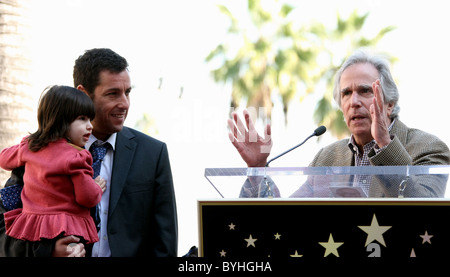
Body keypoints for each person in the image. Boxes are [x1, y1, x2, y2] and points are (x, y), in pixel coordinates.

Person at [0, 48, 178, 257]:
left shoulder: (153, 154)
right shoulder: (38, 150)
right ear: (83, 93)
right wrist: (48, 251)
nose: (124, 104)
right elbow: (3, 231)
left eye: (127, 92)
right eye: (113, 93)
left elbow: (165, 244)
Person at [228, 50, 450, 198]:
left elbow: (423, 208)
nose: (354, 102)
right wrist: (257, 171)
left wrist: (384, 143)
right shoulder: (327, 158)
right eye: (346, 93)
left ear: (389, 104)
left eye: (364, 91)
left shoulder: (429, 148)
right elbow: (287, 218)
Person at [0, 86, 105, 247]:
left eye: (90, 120)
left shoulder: (30, 146)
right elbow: (86, 197)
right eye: (82, 119)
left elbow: (4, 160)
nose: (90, 126)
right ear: (60, 119)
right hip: (66, 227)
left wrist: (24, 146)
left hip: (33, 224)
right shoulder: (77, 156)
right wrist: (97, 187)